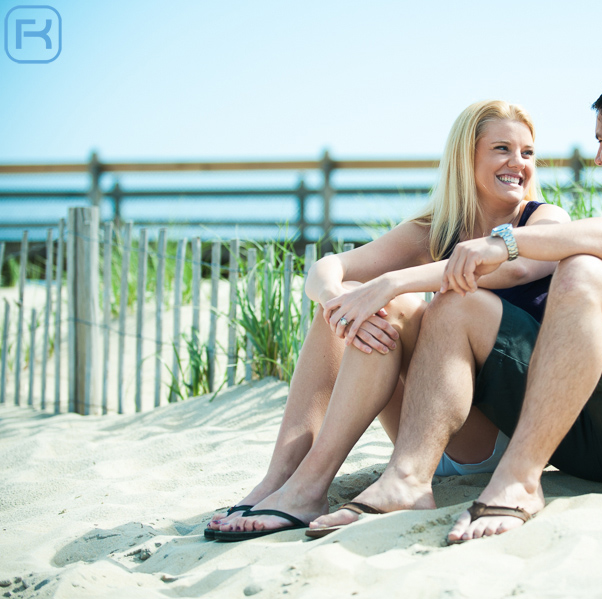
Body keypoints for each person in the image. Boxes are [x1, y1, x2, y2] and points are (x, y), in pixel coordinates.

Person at [307, 73, 602, 544]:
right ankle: (405, 480)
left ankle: (519, 481)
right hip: (595, 435)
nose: (597, 156)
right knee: (456, 305)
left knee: (583, 270)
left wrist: (505, 242)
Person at [206, 100, 570, 541]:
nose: (518, 163)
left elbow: (510, 268)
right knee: (342, 310)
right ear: (466, 157)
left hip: (494, 434)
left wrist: (392, 284)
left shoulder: (544, 219)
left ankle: (306, 489)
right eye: (502, 149)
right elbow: (327, 266)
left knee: (387, 305)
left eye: (527, 153)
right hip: (423, 425)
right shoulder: (435, 230)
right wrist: (333, 296)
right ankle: (279, 482)